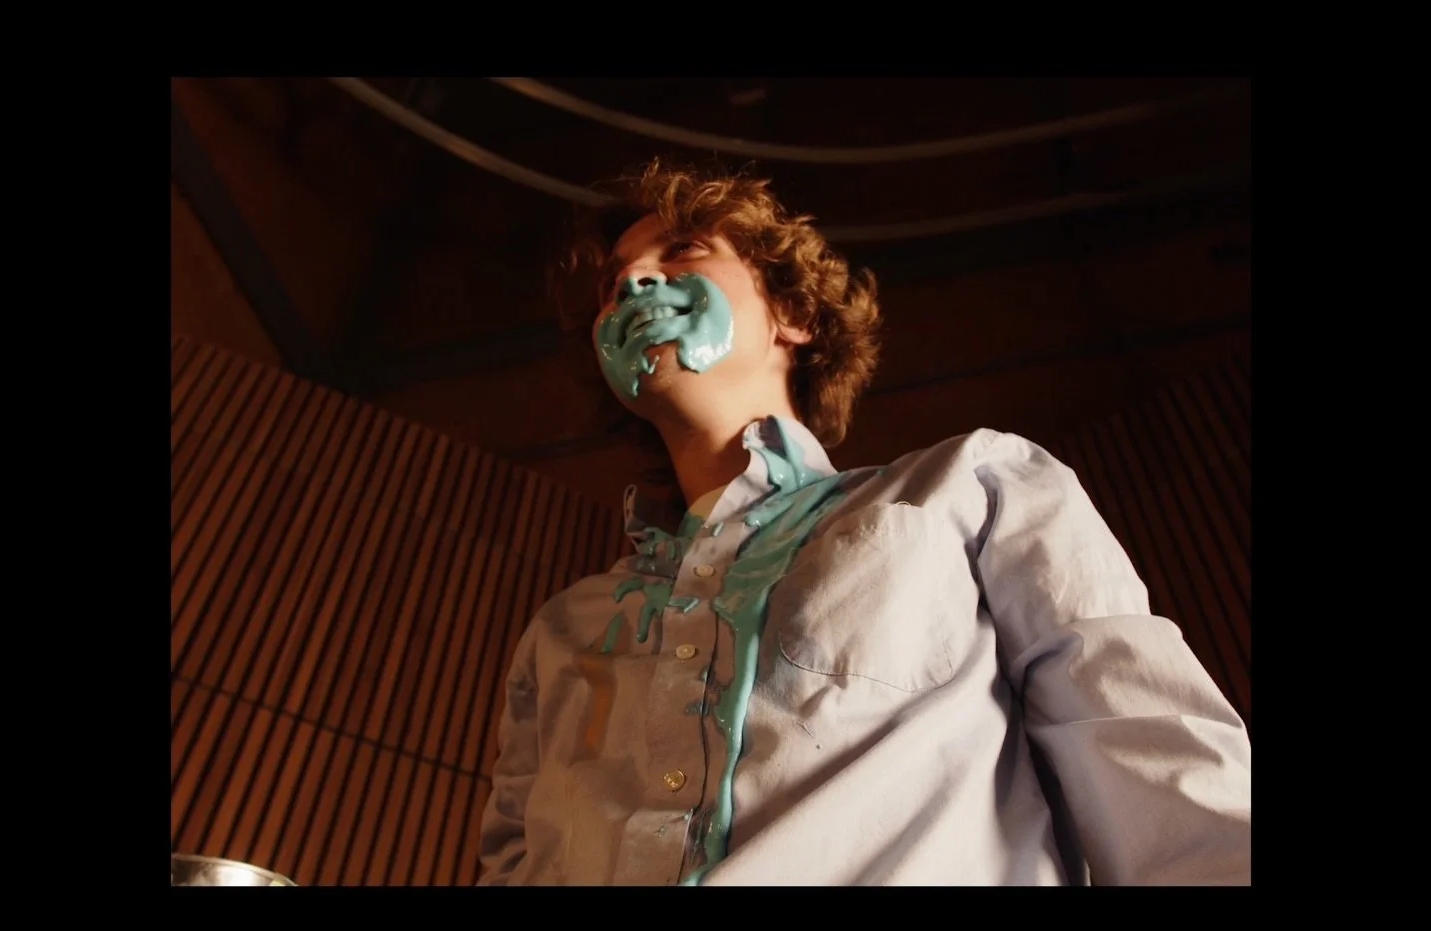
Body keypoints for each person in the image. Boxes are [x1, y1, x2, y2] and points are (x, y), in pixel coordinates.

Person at [476, 160, 1251, 886]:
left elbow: (1154, 752)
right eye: (611, 284)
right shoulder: (559, 633)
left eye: (682, 250)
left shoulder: (971, 487)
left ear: (792, 313)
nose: (633, 280)